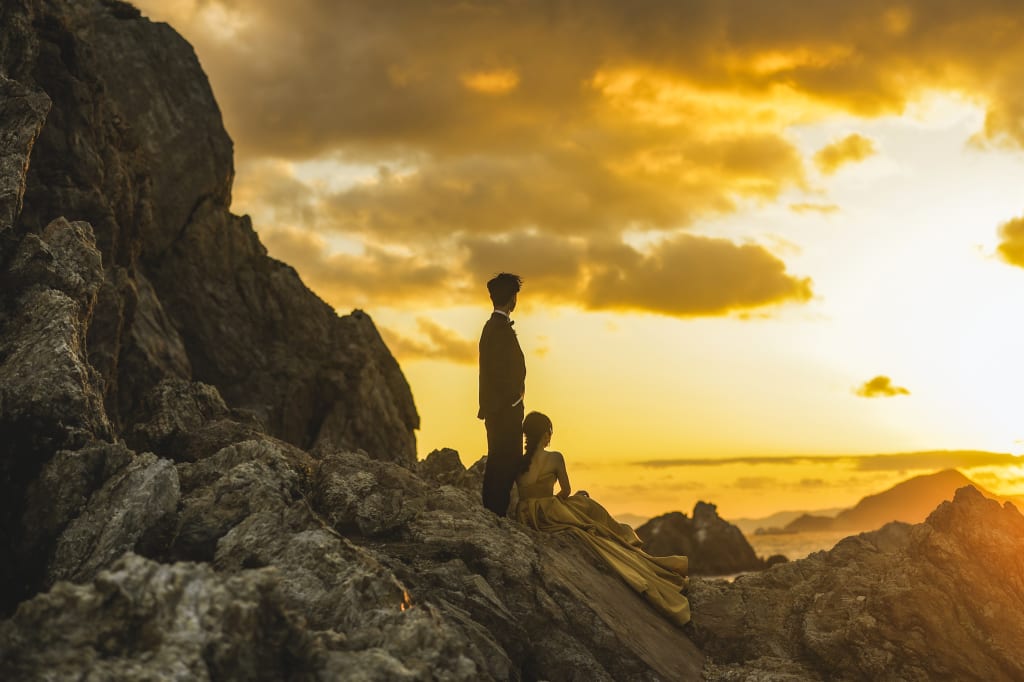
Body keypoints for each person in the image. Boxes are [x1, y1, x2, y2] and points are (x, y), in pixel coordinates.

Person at [514, 411, 691, 627]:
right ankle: (625, 537)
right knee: (587, 505)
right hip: (549, 511)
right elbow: (565, 491)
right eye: (549, 433)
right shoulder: (555, 457)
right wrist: (557, 501)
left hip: (526, 515)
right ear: (544, 435)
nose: (550, 437)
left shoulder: (517, 461)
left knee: (584, 506)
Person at [478, 272, 526, 515]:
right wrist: (514, 400)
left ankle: (494, 511)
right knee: (505, 461)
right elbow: (498, 371)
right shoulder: (498, 329)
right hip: (504, 409)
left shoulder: (494, 327)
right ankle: (494, 513)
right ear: (512, 299)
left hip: (500, 407)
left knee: (500, 460)